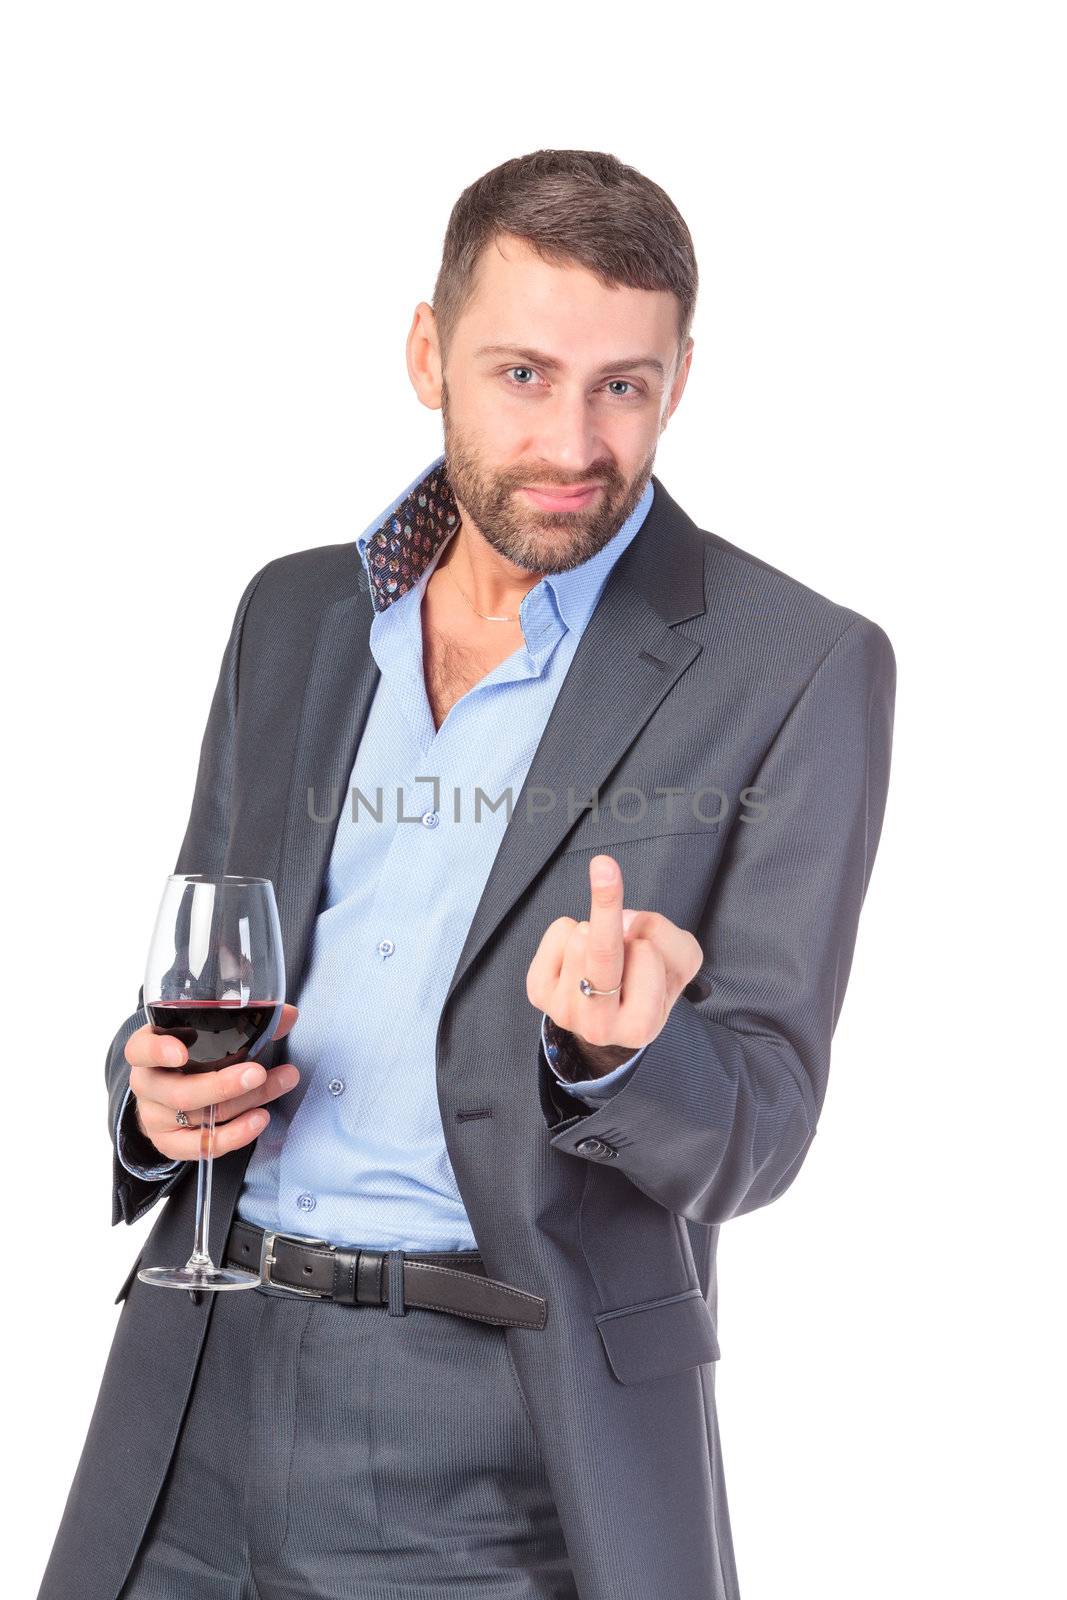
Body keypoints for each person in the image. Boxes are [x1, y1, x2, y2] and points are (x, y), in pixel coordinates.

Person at [38, 148, 896, 1600]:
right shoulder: (295, 612)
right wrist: (151, 1098)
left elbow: (762, 1123)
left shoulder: (794, 665)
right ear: (428, 351)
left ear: (680, 378)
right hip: (198, 1371)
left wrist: (626, 1057)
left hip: (499, 1424)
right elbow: (198, 977)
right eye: (522, 373)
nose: (574, 441)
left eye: (622, 384)